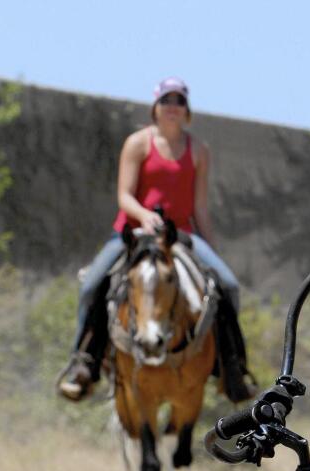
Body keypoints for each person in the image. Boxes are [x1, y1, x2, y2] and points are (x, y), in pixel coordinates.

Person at [58, 76, 242, 401]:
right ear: (155, 107)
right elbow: (124, 196)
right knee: (92, 286)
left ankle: (232, 367)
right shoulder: (137, 144)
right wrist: (144, 216)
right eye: (167, 100)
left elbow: (200, 206)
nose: (173, 107)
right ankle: (83, 363)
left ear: (187, 110)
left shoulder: (199, 150)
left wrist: (211, 248)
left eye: (179, 101)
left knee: (227, 285)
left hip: (181, 236)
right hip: (134, 234)